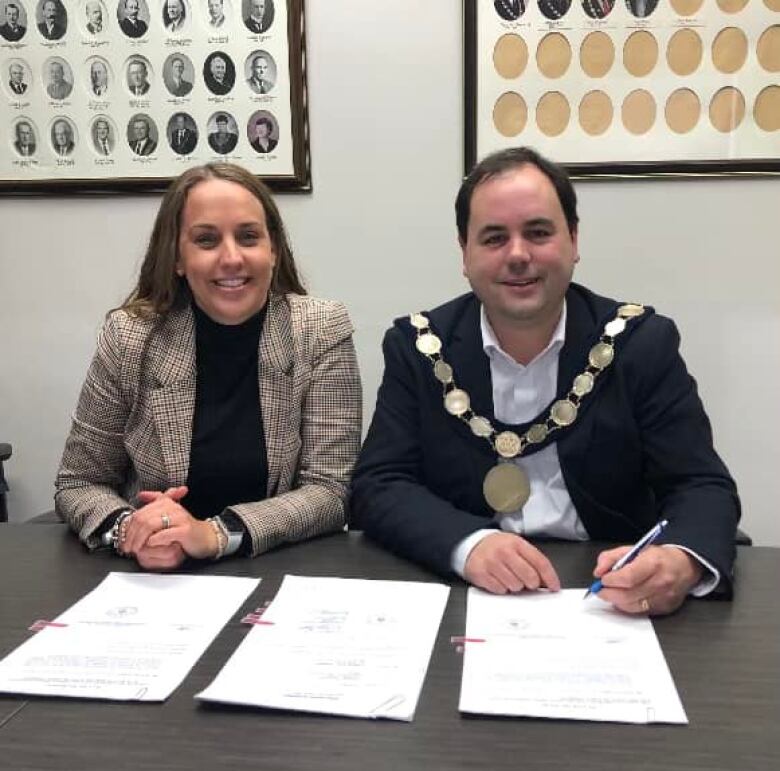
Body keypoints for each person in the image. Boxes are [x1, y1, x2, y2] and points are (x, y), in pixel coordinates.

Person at [351, 147, 740, 616]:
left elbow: (701, 484)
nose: (518, 255)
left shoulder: (640, 343)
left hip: (608, 595)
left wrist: (678, 561)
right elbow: (379, 485)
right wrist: (468, 544)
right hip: (462, 591)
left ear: (573, 240)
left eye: (538, 232)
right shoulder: (417, 347)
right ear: (464, 252)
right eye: (494, 238)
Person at [55, 163, 362, 571]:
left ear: (273, 250)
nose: (232, 257)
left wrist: (214, 534)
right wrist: (133, 529)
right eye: (206, 240)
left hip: (278, 567)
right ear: (178, 258)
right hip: (154, 578)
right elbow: (78, 483)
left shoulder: (321, 330)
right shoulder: (130, 336)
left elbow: (330, 491)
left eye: (249, 237)